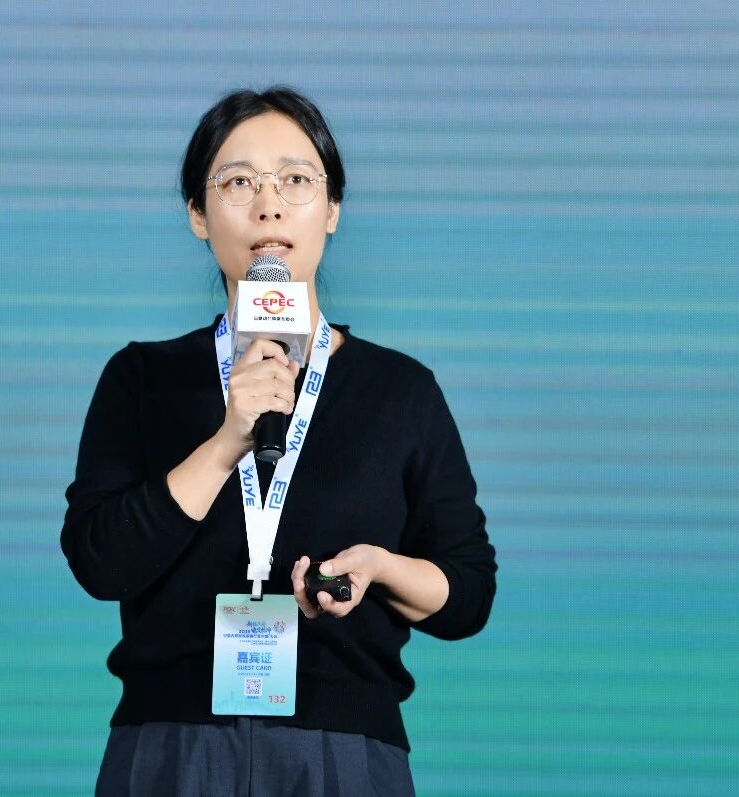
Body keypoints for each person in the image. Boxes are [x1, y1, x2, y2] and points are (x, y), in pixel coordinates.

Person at [61, 86, 497, 796]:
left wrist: (382, 567)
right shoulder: (142, 377)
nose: (268, 206)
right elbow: (99, 562)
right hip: (172, 750)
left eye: (295, 180)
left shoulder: (400, 391)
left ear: (332, 209)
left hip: (342, 755)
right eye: (238, 183)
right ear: (197, 214)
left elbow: (469, 592)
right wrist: (227, 440)